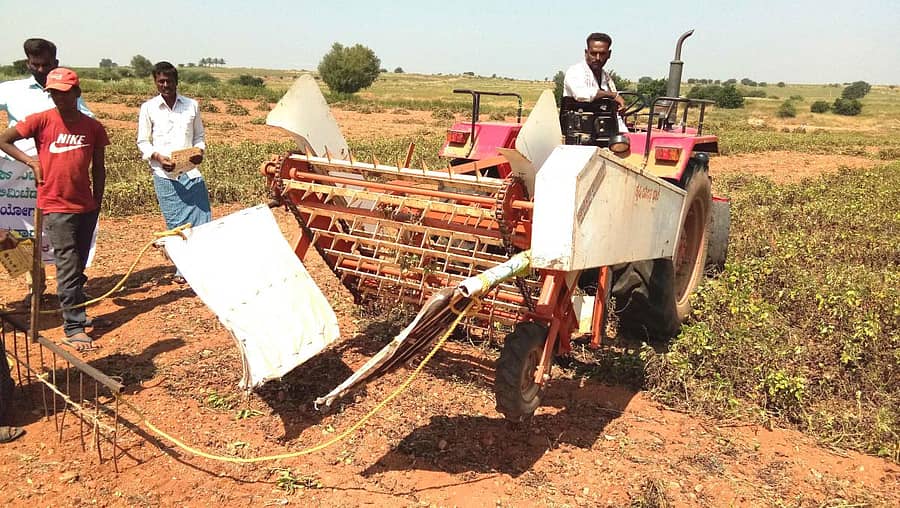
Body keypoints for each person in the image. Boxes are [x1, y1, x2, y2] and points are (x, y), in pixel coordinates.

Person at [0, 68, 108, 351]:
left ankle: (76, 311)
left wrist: (97, 200)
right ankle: (73, 327)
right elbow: (4, 139)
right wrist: (32, 163)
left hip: (85, 204)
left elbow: (99, 167)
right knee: (68, 265)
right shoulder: (42, 120)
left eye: (64, 92)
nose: (59, 98)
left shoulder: (93, 127)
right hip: (56, 205)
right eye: (54, 93)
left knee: (79, 265)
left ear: (77, 93)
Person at [0, 38, 93, 299]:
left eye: (46, 65)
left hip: (53, 176)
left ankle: (71, 286)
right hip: (15, 174)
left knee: (54, 230)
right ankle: (35, 287)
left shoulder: (67, 92)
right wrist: (28, 160)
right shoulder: (10, 90)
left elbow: (88, 125)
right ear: (27, 63)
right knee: (22, 231)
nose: (40, 70)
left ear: (56, 63)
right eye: (35, 64)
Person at [136, 61, 211, 284]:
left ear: (177, 81)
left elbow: (199, 136)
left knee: (201, 219)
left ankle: (201, 267)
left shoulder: (191, 106)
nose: (166, 85)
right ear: (155, 82)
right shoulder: (148, 108)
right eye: (161, 81)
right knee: (176, 223)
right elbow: (143, 141)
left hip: (191, 172)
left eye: (169, 81)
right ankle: (183, 269)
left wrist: (199, 152)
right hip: (164, 174)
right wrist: (157, 157)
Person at [563, 32, 628, 132]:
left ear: (609, 54)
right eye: (593, 53)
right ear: (586, 52)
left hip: (605, 131)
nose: (597, 58)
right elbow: (581, 94)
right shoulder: (575, 71)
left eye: (602, 54)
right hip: (578, 132)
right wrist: (613, 95)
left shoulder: (606, 78)